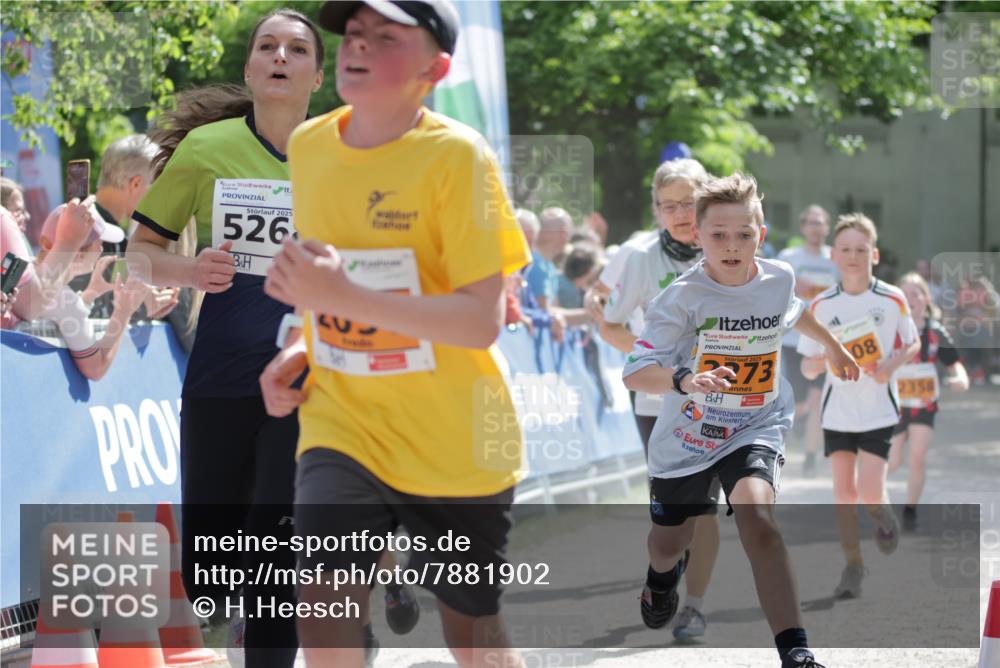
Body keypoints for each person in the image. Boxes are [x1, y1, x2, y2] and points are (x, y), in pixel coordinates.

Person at [259, 1, 529, 666]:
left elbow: (480, 320)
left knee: (472, 637)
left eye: (386, 38)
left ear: (435, 70)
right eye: (354, 34)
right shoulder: (309, 147)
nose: (359, 46)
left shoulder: (458, 157)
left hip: (454, 440)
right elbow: (324, 278)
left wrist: (342, 296)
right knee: (322, 611)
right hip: (344, 425)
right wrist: (298, 348)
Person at [125, 10, 347, 668]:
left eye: (297, 49)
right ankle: (246, 607)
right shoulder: (205, 149)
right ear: (249, 69)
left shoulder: (345, 154)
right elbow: (138, 254)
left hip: (307, 380)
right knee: (210, 567)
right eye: (267, 47)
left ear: (318, 75)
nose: (280, 56)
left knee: (279, 547)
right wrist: (189, 270)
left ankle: (269, 632)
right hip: (220, 372)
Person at [623, 172, 859, 668]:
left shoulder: (779, 278)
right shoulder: (680, 298)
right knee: (670, 543)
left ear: (761, 235)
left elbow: (793, 311)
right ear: (698, 236)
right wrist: (686, 380)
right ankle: (661, 579)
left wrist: (834, 347)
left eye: (744, 234)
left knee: (760, 521)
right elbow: (635, 372)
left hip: (755, 424)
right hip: (687, 436)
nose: (732, 245)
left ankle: (796, 651)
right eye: (718, 235)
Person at [601, 157, 722, 641]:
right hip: (658, 403)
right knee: (672, 513)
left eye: (688, 203)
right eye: (668, 206)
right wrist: (653, 355)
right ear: (656, 210)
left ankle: (695, 606)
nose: (680, 214)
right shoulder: (641, 259)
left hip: (717, 402)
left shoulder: (726, 248)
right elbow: (610, 325)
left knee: (705, 508)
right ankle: (666, 574)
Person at [797, 213, 920, 599]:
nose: (853, 256)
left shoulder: (892, 298)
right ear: (833, 255)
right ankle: (853, 565)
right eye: (846, 249)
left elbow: (912, 342)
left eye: (861, 250)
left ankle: (882, 513)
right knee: (843, 493)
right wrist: (822, 360)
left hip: (878, 409)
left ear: (874, 255)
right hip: (838, 412)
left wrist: (891, 366)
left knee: (868, 489)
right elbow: (806, 365)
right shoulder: (821, 304)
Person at [888, 272, 969, 530]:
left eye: (917, 293)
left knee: (918, 457)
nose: (911, 298)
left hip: (924, 404)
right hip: (894, 405)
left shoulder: (935, 331)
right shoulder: (889, 328)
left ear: (926, 298)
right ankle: (872, 497)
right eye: (905, 294)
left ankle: (910, 511)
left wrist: (961, 378)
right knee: (892, 462)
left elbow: (954, 363)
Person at [32, 202, 149, 379]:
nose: (101, 249)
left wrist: (91, 293)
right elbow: (95, 369)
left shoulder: (25, 272)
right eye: (98, 244)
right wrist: (123, 312)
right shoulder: (67, 303)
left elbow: (61, 313)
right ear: (79, 253)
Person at [777, 205, 839, 477]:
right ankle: (796, 420)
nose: (816, 228)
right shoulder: (789, 258)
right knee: (800, 402)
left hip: (823, 338)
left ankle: (810, 457)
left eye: (820, 222)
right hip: (793, 339)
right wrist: (792, 286)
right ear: (803, 227)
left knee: (817, 399)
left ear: (827, 227)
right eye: (811, 223)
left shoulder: (835, 258)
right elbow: (771, 290)